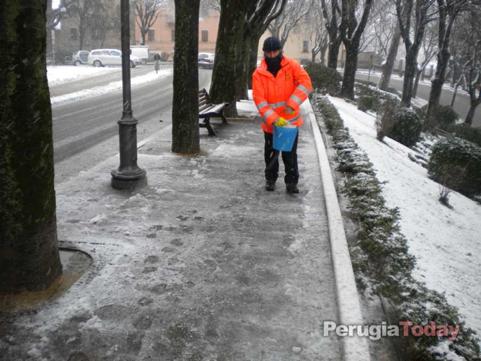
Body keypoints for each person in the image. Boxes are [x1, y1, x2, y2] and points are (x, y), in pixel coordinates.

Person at [252, 36, 313, 193]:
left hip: (290, 124)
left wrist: (292, 104)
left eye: (275, 52)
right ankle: (270, 180)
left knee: (289, 154)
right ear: (264, 53)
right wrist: (273, 119)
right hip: (270, 124)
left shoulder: (292, 66)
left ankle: (291, 183)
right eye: (268, 53)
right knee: (271, 154)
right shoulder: (258, 74)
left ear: (280, 50)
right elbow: (260, 100)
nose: (272, 55)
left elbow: (306, 84)